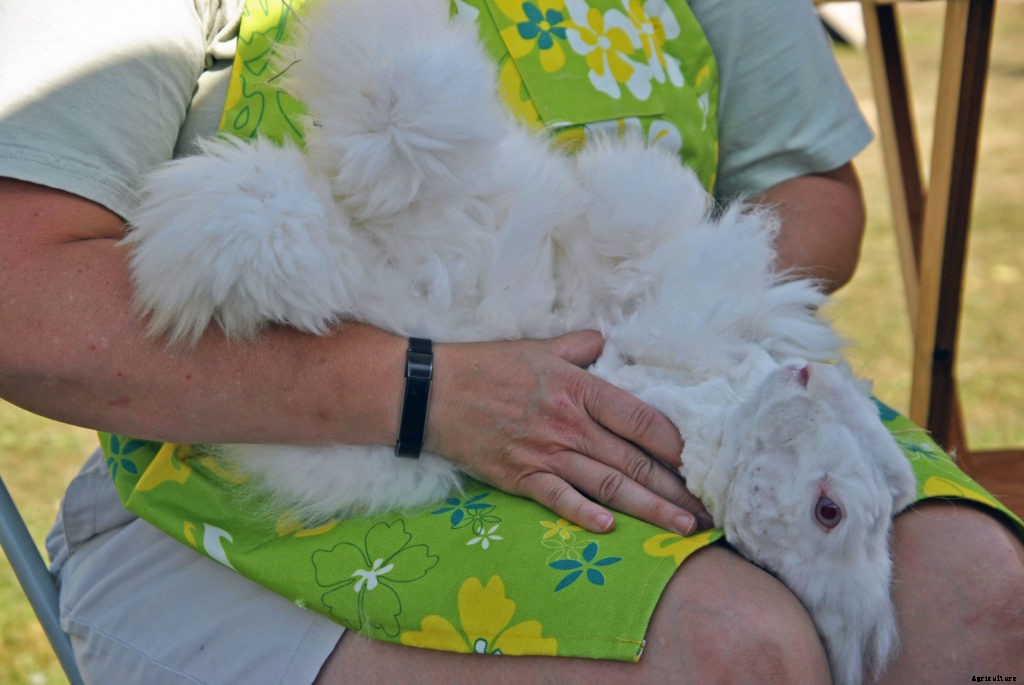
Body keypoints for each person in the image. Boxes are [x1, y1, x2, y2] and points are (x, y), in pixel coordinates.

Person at [1, 0, 1021, 683]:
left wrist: (634, 302)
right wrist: (429, 384)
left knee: (987, 603)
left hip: (665, 385)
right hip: (268, 476)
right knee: (728, 651)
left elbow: (812, 194)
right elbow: (25, 292)